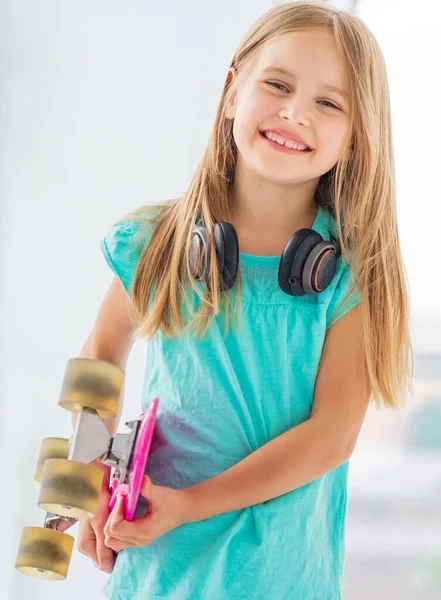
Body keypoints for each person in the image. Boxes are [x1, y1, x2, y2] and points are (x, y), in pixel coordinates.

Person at [76, 2, 414, 599]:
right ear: (233, 90)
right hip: (158, 570)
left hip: (282, 580)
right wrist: (82, 482)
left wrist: (192, 503)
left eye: (328, 103)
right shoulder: (157, 244)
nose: (294, 112)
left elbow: (331, 434)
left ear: (356, 137)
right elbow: (100, 362)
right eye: (277, 84)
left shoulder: (352, 277)